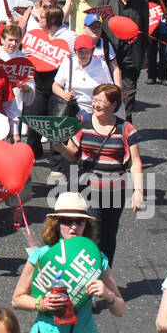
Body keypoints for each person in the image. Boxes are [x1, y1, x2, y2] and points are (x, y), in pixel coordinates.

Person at [10, 192, 126, 333]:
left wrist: (108, 295)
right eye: (67, 221)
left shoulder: (96, 258)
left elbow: (120, 310)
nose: (73, 227)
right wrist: (40, 304)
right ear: (56, 224)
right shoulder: (41, 256)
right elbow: (17, 299)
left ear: (86, 225)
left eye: (79, 221)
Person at [57, 83, 145, 262]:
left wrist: (138, 192)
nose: (95, 105)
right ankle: (90, 277)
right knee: (93, 235)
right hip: (88, 189)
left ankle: (105, 277)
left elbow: (135, 163)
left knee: (108, 237)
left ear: (114, 105)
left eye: (101, 102)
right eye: (94, 100)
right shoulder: (83, 123)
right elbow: (73, 155)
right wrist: (60, 147)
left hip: (116, 191)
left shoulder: (126, 129)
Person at [51, 34, 116, 118]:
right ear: (75, 51)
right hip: (72, 109)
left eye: (87, 51)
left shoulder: (101, 65)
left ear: (92, 51)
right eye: (80, 52)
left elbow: (109, 88)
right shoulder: (68, 63)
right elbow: (55, 86)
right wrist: (64, 94)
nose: (83, 55)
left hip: (95, 111)